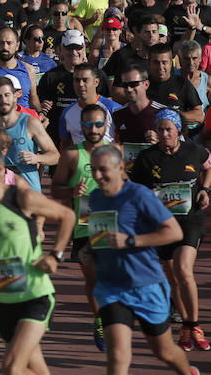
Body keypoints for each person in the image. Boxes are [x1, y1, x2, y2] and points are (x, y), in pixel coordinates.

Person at [0, 141, 75, 375]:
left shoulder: (22, 198)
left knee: (11, 367)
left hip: (35, 295)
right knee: (33, 366)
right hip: (2, 300)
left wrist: (55, 256)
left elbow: (67, 215)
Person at [86, 145, 200, 375]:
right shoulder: (95, 197)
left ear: (120, 168)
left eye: (103, 170)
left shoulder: (140, 195)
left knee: (164, 352)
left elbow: (174, 232)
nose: (97, 176)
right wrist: (89, 250)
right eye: (94, 170)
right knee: (118, 356)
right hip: (112, 288)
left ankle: (189, 373)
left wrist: (131, 241)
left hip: (146, 285)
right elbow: (100, 236)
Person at [131, 109, 211, 352]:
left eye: (169, 129)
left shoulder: (194, 151)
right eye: (160, 129)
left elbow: (209, 167)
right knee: (172, 278)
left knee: (183, 269)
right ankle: (186, 326)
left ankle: (195, 325)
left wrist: (205, 190)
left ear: (178, 130)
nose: (164, 134)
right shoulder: (147, 158)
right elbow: (136, 191)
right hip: (163, 225)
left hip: (190, 220)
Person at [52, 105, 120, 352]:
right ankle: (100, 319)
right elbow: (55, 189)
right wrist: (71, 192)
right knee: (93, 278)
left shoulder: (116, 152)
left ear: (106, 125)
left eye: (99, 124)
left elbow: (128, 186)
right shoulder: (72, 155)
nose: (94, 129)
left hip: (111, 224)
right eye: (89, 124)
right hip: (84, 227)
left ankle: (111, 318)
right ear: (81, 126)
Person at [0, 77, 59, 191]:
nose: (3, 100)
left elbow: (55, 156)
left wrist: (36, 158)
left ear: (15, 96)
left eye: (7, 95)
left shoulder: (30, 122)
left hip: (28, 193)